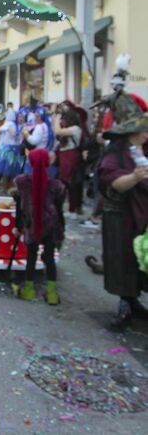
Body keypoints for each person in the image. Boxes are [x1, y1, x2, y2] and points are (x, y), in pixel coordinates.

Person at [97, 113, 148, 331]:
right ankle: (125, 303)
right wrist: (135, 177)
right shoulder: (117, 154)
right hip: (121, 216)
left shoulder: (144, 150)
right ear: (134, 134)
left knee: (141, 259)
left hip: (143, 214)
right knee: (123, 259)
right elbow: (113, 181)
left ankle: (134, 300)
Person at [12, 149, 66, 304]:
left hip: (31, 225)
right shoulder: (57, 185)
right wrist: (61, 228)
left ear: (31, 162)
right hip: (51, 225)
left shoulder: (22, 182)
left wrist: (18, 225)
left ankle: (29, 290)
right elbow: (59, 209)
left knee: (31, 258)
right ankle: (51, 294)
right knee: (49, 259)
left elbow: (20, 207)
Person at [53, 109, 84, 216]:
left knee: (71, 184)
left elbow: (57, 131)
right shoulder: (67, 129)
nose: (62, 122)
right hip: (64, 157)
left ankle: (73, 209)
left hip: (71, 157)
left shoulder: (76, 129)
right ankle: (66, 207)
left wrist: (57, 118)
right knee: (63, 182)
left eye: (63, 120)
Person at [0, 110, 24, 192]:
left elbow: (20, 138)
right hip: (7, 149)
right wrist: (9, 129)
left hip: (16, 149)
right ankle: (0, 186)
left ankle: (9, 187)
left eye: (23, 117)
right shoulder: (11, 123)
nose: (21, 119)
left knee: (12, 170)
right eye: (20, 117)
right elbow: (1, 128)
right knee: (3, 169)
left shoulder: (22, 126)